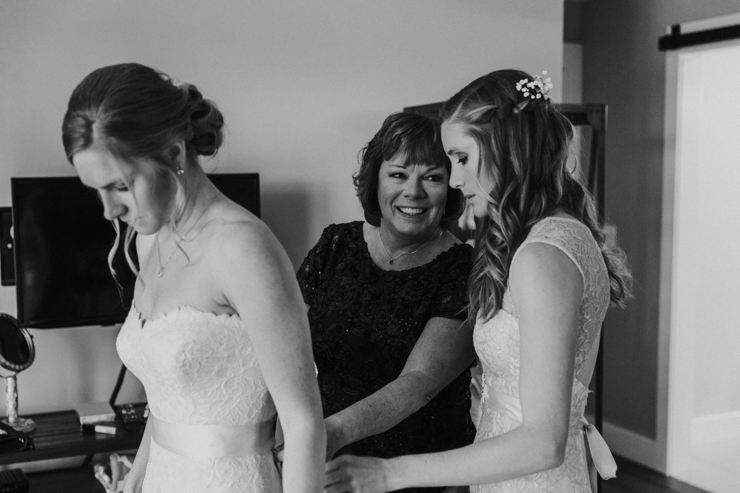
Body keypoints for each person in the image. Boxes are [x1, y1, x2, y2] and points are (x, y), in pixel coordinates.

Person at [323, 69, 632, 493]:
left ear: (507, 148)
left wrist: (389, 473)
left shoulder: (544, 255)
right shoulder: (548, 238)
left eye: (462, 158)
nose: (453, 179)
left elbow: (543, 443)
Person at [62, 63, 325, 493]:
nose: (109, 210)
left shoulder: (243, 248)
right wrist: (138, 473)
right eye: (96, 190)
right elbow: (170, 400)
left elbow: (302, 424)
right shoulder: (150, 240)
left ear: (173, 154)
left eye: (120, 186)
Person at [296, 112, 477, 492]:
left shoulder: (463, 268)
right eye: (398, 174)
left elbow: (419, 382)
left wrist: (329, 432)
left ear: (452, 190)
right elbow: (285, 344)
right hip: (331, 469)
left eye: (432, 177)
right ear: (374, 180)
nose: (414, 191)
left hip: (420, 474)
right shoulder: (335, 244)